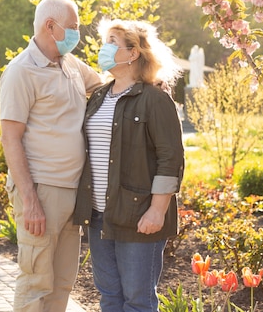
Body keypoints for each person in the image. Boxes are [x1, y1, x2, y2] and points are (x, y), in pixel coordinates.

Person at [0, 0, 102, 312]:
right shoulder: (22, 71)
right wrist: (30, 202)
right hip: (41, 192)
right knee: (35, 283)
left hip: (73, 192)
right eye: (73, 27)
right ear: (50, 26)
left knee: (61, 285)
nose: (78, 34)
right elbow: (10, 139)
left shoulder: (71, 65)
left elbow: (104, 89)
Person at [74, 19, 185, 312]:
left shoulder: (155, 99)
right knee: (109, 297)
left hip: (139, 218)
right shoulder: (98, 97)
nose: (103, 48)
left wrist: (157, 210)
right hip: (99, 216)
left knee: (138, 301)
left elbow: (170, 158)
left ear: (133, 52)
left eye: (112, 42)